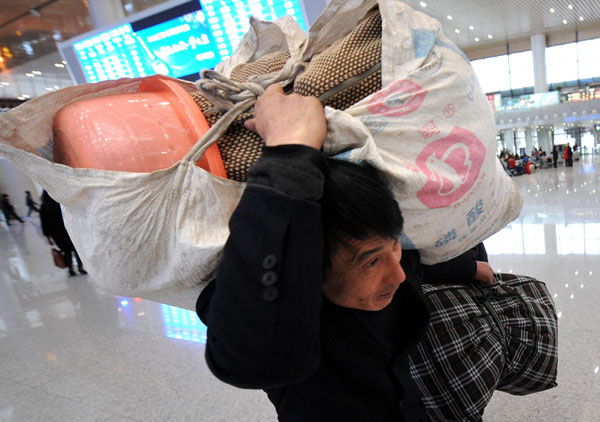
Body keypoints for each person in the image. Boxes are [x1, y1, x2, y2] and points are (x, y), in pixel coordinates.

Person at [195, 85, 494, 421]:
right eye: (370, 261)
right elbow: (249, 358)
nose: (396, 273)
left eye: (393, 244)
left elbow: (413, 264)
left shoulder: (394, 261)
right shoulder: (271, 310)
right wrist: (289, 154)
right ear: (308, 267)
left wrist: (469, 270)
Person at [40, 191, 87, 276]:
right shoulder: (60, 204)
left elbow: (44, 224)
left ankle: (70, 269)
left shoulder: (44, 208)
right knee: (76, 250)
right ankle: (80, 268)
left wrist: (48, 237)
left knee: (66, 251)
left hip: (57, 234)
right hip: (68, 231)